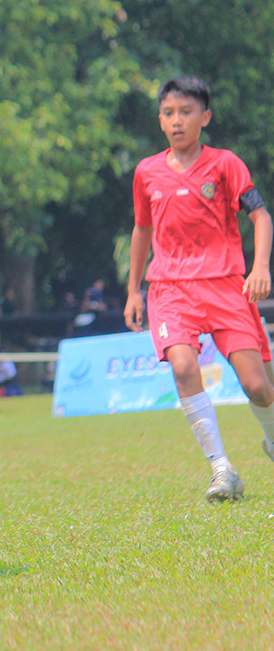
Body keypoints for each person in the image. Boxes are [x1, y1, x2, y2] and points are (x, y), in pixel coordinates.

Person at [125, 76, 274, 502]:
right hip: (170, 288)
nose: (177, 121)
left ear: (204, 117)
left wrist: (259, 266)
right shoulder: (146, 172)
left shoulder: (226, 164)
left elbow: (260, 216)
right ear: (160, 120)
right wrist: (134, 291)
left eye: (186, 112)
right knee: (184, 367)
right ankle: (222, 470)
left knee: (259, 386)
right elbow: (141, 229)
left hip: (226, 286)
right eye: (169, 113)